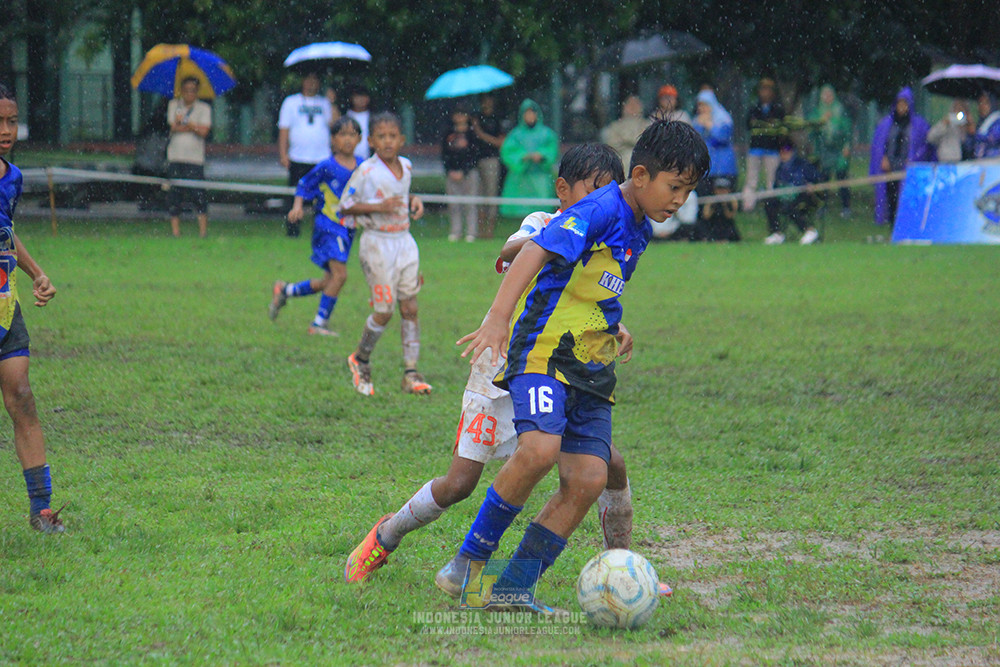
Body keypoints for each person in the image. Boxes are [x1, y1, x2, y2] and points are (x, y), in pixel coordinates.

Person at [344, 145, 671, 600]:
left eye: (605, 190)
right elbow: (517, 249)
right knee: (459, 484)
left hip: (560, 368)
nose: (599, 199)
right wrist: (550, 237)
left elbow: (585, 293)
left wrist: (612, 324)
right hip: (500, 365)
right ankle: (387, 535)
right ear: (564, 190)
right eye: (591, 189)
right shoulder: (546, 222)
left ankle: (624, 565)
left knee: (606, 463)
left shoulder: (617, 229)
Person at [434, 121, 710, 612]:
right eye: (675, 188)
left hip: (593, 363)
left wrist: (613, 324)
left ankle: (515, 588)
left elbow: (594, 282)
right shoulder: (601, 207)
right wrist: (498, 319)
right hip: (544, 352)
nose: (679, 202)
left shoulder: (641, 226)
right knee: (539, 450)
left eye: (688, 192)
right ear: (641, 175)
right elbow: (537, 249)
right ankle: (467, 563)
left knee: (587, 478)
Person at [0, 84, 64, 533]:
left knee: (21, 394)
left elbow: (7, 231)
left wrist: (37, 272)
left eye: (11, 121)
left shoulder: (13, 178)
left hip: (5, 302)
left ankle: (41, 510)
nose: (6, 131)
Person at [339, 113, 429, 396]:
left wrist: (414, 200)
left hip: (404, 242)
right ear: (371, 140)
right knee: (384, 310)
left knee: (410, 307)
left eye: (393, 136)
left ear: (401, 139)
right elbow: (345, 205)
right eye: (381, 136)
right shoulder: (366, 171)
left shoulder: (407, 166)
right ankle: (360, 358)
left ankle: (411, 372)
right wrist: (378, 206)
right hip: (377, 244)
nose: (388, 141)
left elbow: (403, 195)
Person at [269, 117, 362, 335]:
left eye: (352, 135)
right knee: (340, 276)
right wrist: (298, 206)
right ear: (333, 139)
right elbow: (303, 184)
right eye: (342, 134)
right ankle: (318, 324)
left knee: (328, 281)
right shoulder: (327, 166)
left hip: (347, 229)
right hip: (328, 226)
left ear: (359, 139)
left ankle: (285, 290)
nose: (347, 139)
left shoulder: (363, 166)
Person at [277, 72, 335, 237]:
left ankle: (322, 229)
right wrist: (283, 154)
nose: (311, 83)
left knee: (323, 196)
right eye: (308, 80)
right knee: (295, 195)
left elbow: (335, 125)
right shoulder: (291, 102)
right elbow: (284, 129)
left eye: (315, 80)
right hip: (298, 157)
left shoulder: (325, 103)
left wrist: (333, 103)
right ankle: (293, 229)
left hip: (321, 158)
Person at [870, 87, 930, 226]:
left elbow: (924, 146)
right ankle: (891, 223)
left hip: (907, 169)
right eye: (900, 104)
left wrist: (914, 159)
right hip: (890, 168)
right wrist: (883, 158)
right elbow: (880, 145)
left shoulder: (918, 125)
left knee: (905, 197)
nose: (902, 107)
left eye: (905, 104)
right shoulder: (887, 124)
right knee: (890, 196)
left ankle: (905, 225)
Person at [166, 77, 211, 238]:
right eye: (186, 90)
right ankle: (176, 232)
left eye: (193, 90)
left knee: (198, 195)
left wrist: (189, 125)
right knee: (174, 195)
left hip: (195, 159)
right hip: (175, 157)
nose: (189, 93)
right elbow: (173, 126)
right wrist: (191, 126)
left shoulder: (204, 108)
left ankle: (203, 231)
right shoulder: (174, 105)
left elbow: (204, 131)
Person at [499, 99, 559, 219]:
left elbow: (552, 150)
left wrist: (542, 155)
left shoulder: (547, 133)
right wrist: (522, 156)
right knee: (521, 212)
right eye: (527, 113)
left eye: (532, 113)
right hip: (520, 179)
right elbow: (507, 152)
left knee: (542, 214)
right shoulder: (515, 134)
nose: (530, 116)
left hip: (541, 179)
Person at [763, 141, 822, 245]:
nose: (784, 154)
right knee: (769, 202)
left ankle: (809, 230)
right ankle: (777, 233)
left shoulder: (802, 164)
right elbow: (776, 185)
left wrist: (811, 185)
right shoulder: (780, 168)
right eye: (781, 152)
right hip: (785, 196)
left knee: (789, 207)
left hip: (803, 196)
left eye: (786, 151)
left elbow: (816, 178)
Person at [808, 84, 854, 217]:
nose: (827, 98)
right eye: (825, 95)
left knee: (842, 177)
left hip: (839, 150)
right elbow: (812, 130)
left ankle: (846, 207)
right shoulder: (817, 112)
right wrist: (822, 121)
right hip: (823, 151)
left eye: (829, 95)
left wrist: (846, 146)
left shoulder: (840, 110)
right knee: (823, 179)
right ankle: (822, 206)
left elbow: (847, 130)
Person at [742, 78, 786, 211]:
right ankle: (748, 205)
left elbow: (780, 128)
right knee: (751, 179)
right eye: (763, 89)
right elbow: (749, 125)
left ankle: (771, 205)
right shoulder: (754, 108)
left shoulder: (778, 108)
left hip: (772, 149)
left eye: (768, 89)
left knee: (771, 180)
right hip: (756, 149)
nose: (765, 93)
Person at [441, 106, 480, 242]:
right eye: (457, 114)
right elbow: (444, 154)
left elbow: (475, 155)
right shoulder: (448, 133)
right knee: (454, 204)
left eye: (463, 114)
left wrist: (464, 171)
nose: (460, 117)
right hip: (452, 173)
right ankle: (455, 231)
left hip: (469, 173)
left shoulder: (472, 134)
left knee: (470, 203)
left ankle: (471, 232)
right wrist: (450, 171)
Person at [471, 94, 505, 239]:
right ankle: (479, 229)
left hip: (491, 160)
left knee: (491, 195)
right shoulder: (475, 118)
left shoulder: (497, 120)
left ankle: (489, 229)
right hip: (474, 161)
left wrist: (480, 133)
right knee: (478, 195)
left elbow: (500, 142)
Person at [692, 89, 737, 191]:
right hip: (705, 168)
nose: (701, 108)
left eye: (704, 105)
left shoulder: (724, 119)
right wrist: (699, 125)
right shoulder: (697, 121)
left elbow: (724, 138)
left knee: (723, 201)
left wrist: (710, 126)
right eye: (699, 105)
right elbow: (695, 140)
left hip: (724, 168)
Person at [600, 94, 650, 168]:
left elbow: (648, 145)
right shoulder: (614, 127)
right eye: (630, 104)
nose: (633, 107)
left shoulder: (648, 126)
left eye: (636, 104)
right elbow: (611, 144)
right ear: (624, 107)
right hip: (620, 161)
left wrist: (626, 141)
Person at [969, 91, 1000, 159]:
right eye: (980, 103)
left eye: (985, 103)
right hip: (981, 162)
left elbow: (992, 138)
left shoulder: (997, 120)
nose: (982, 106)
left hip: (995, 161)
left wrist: (976, 134)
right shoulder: (981, 123)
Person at [346, 85, 372, 161]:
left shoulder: (373, 118)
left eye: (363, 97)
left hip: (368, 159)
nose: (361, 100)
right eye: (357, 97)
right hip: (348, 160)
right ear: (352, 98)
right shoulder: (346, 116)